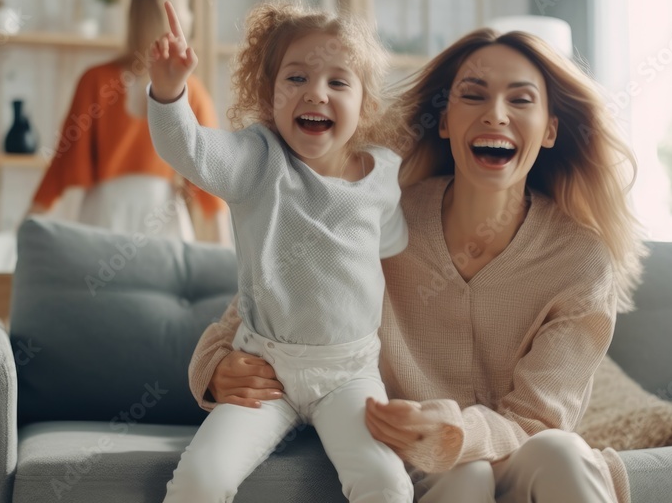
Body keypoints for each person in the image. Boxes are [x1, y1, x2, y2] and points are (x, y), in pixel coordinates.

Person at [190, 28, 648, 503]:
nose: (495, 115)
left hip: (522, 456)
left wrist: (457, 434)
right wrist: (215, 366)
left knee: (563, 453)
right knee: (466, 478)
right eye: (473, 95)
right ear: (445, 120)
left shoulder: (579, 258)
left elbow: (538, 421)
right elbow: (265, 303)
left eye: (520, 100)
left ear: (550, 128)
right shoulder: (375, 213)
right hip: (413, 465)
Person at [147, 0, 413, 502]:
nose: (316, 93)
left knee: (385, 483)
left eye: (338, 82)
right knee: (202, 478)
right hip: (266, 371)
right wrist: (168, 90)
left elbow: (394, 255)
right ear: (268, 96)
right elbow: (187, 147)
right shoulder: (255, 160)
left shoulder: (383, 176)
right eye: (296, 78)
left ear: (365, 104)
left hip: (351, 373)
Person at [27, 0, 226, 242]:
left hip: (141, 223)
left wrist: (228, 262)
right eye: (187, 8)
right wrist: (23, 233)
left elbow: (211, 177)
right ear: (169, 18)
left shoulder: (192, 92)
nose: (191, 17)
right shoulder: (97, 82)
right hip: (120, 222)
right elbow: (63, 163)